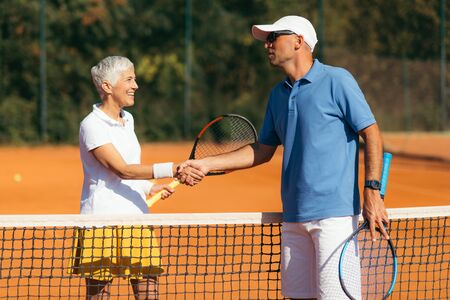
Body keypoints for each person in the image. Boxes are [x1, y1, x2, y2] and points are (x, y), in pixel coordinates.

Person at [180, 16, 388, 299]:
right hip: (293, 218)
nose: (267, 44)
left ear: (298, 41)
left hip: (334, 218)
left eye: (273, 36)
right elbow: (262, 150)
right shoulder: (278, 95)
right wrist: (205, 164)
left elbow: (372, 133)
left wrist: (373, 191)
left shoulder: (337, 80)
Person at [70, 55, 204, 299]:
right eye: (129, 79)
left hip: (136, 217)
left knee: (148, 291)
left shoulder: (128, 119)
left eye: (135, 79)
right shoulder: (91, 125)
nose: (136, 85)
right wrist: (173, 169)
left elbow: (132, 168)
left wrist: (148, 187)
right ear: (107, 87)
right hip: (101, 221)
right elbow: (122, 169)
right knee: (99, 294)